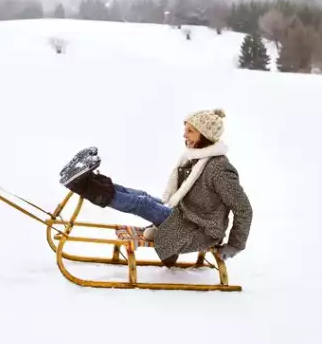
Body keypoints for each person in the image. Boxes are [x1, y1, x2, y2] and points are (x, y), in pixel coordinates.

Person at [68, 109, 252, 266]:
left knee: (143, 204)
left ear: (204, 135)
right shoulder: (197, 158)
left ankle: (83, 185)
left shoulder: (219, 169)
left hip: (198, 229)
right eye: (185, 129)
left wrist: (235, 245)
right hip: (186, 215)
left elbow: (243, 208)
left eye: (190, 131)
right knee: (142, 195)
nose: (184, 135)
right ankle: (90, 180)